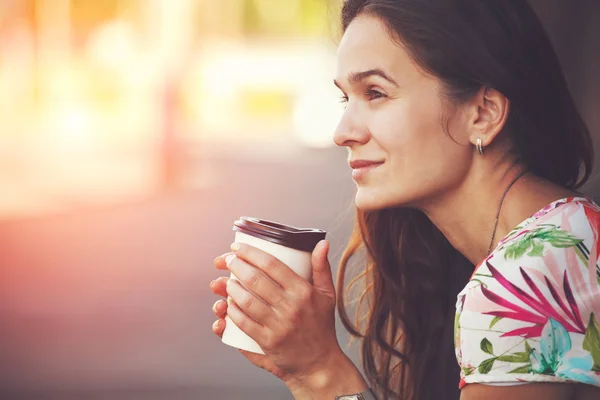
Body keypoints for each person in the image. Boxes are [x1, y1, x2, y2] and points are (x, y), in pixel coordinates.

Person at [209, 1, 600, 399]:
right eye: (347, 99)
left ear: (482, 113)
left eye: (375, 93)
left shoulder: (521, 280)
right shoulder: (571, 232)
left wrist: (320, 372)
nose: (342, 132)